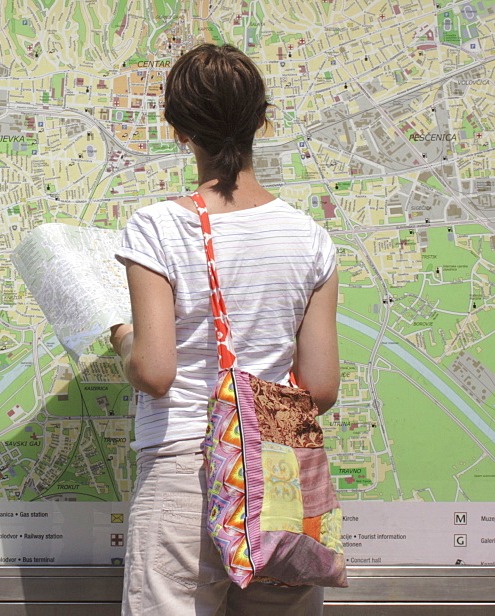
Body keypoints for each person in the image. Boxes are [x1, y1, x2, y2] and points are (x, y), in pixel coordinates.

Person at [110, 43, 340, 615]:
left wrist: (120, 336)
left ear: (177, 130)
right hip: (277, 476)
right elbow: (322, 388)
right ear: (262, 120)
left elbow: (155, 371)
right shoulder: (309, 238)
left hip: (183, 470)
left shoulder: (159, 227)